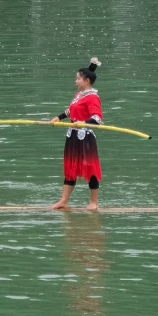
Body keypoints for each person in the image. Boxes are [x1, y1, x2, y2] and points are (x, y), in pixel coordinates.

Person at [51, 57, 104, 212]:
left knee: (90, 169)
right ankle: (64, 201)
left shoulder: (93, 97)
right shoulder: (79, 95)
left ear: (86, 80)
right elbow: (71, 111)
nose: (76, 81)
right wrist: (59, 117)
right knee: (71, 168)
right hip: (72, 137)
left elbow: (97, 118)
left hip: (85, 137)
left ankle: (94, 202)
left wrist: (84, 123)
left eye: (78, 78)